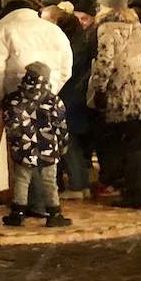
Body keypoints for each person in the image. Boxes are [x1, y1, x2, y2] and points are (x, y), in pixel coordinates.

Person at [87, 0, 141, 209]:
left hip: (122, 87)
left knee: (128, 144)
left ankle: (136, 194)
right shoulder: (135, 24)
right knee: (138, 142)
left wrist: (98, 90)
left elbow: (105, 62)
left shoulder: (108, 27)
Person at [2, 62, 71, 227]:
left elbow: (10, 124)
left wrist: (15, 143)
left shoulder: (14, 99)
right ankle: (54, 214)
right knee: (49, 180)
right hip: (48, 147)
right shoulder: (53, 100)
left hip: (23, 147)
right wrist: (63, 145)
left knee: (21, 179)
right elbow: (60, 126)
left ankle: (18, 213)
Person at [0, 0, 74, 110]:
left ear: (4, 6)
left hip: (15, 102)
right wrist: (53, 90)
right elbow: (66, 68)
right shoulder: (54, 30)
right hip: (48, 99)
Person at [56, 12, 95, 200]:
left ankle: (76, 186)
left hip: (67, 97)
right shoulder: (84, 43)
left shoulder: (64, 47)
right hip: (81, 97)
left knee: (68, 143)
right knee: (77, 143)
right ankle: (83, 184)